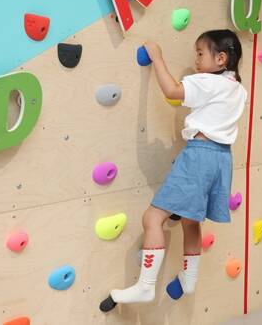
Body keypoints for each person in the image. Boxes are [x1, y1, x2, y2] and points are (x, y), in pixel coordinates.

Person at [100, 29, 247, 312]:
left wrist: (157, 56)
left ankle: (145, 285)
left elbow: (172, 91)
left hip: (199, 156)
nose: (196, 60)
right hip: (222, 160)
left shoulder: (207, 82)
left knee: (152, 217)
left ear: (221, 59)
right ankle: (189, 279)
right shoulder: (237, 88)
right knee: (191, 220)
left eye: (200, 53)